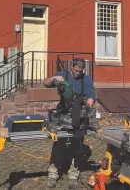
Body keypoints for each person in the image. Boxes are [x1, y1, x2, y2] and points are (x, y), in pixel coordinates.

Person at [43, 57, 95, 189]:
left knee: (78, 145)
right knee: (59, 144)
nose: (78, 72)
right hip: (63, 114)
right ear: (72, 67)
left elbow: (91, 96)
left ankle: (73, 175)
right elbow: (45, 82)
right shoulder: (63, 75)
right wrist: (55, 79)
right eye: (76, 69)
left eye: (81, 70)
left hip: (79, 115)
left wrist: (88, 106)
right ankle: (53, 173)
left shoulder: (86, 79)